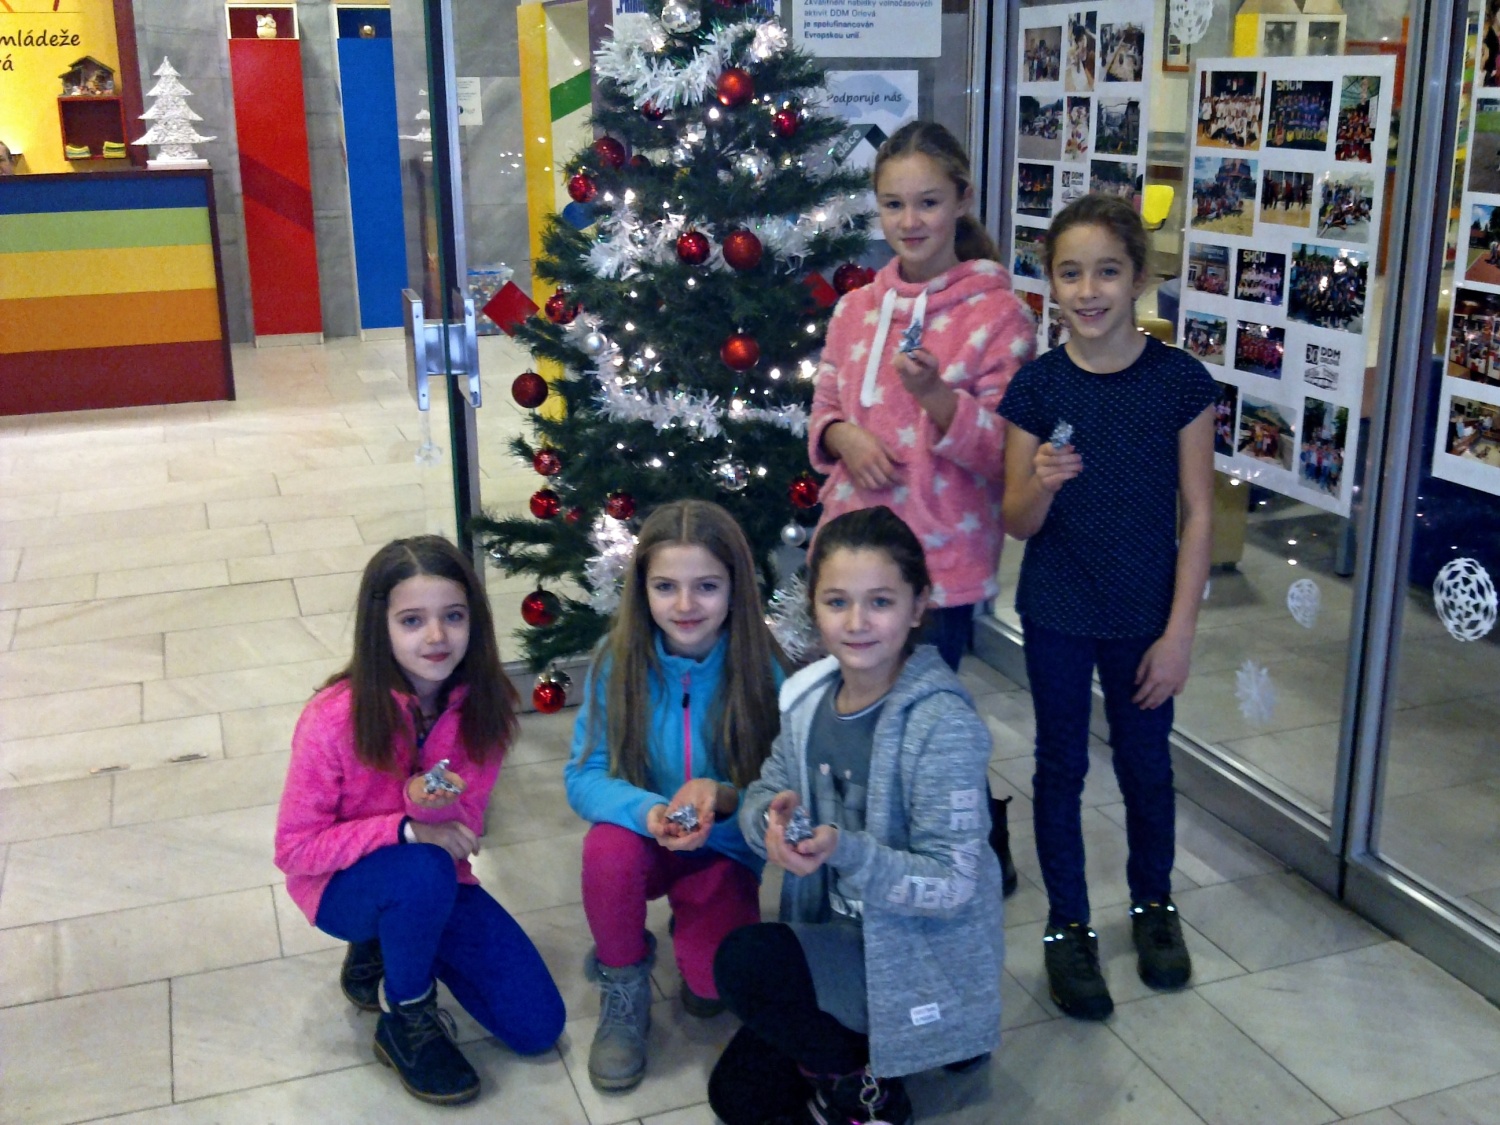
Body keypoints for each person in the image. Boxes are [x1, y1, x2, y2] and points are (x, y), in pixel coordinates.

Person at [705, 506, 1004, 1125]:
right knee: (737, 1099)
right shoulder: (809, 700)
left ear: (918, 606)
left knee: (746, 962)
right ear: (814, 606)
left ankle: (874, 1085)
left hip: (915, 958)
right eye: (837, 601)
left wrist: (846, 850)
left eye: (881, 602)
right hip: (838, 940)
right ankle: (857, 1058)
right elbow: (766, 791)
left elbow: (953, 884)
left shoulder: (941, 725)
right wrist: (770, 827)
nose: (857, 622)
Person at [998, 194, 1216, 1021]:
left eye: (1107, 272)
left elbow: (1199, 512)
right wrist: (1042, 485)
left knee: (1146, 765)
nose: (1088, 291)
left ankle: (1154, 904)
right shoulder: (1036, 386)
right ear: (1050, 283)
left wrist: (1180, 632)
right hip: (1057, 607)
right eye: (1070, 273)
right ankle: (1067, 925)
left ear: (1138, 278)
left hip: (1145, 614)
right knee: (1060, 767)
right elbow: (1016, 520)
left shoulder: (1178, 382)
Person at [273, 537, 564, 1106]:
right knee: (421, 868)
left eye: (453, 616)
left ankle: (394, 938)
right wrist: (404, 827)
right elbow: (295, 850)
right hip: (340, 886)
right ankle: (405, 1014)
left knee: (537, 1026)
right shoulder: (332, 719)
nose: (436, 637)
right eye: (412, 620)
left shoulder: (486, 707)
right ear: (379, 627)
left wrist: (428, 806)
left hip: (434, 878)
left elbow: (465, 829)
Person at [565, 499, 789, 1093]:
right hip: (644, 839)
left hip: (724, 851)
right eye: (665, 586)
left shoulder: (765, 670)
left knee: (714, 985)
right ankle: (622, 976)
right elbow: (583, 777)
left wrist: (723, 796)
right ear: (642, 591)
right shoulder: (617, 662)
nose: (685, 605)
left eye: (706, 586)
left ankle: (696, 931)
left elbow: (787, 792)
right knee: (606, 849)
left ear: (735, 588)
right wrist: (649, 812)